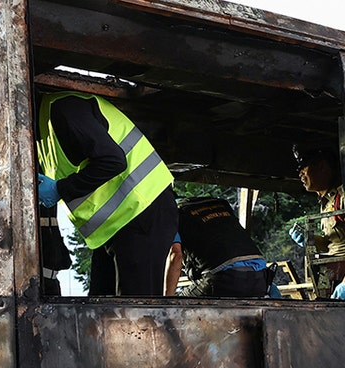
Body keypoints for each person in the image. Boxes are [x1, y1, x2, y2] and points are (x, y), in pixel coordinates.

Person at [36, 92, 177, 296]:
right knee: (103, 311)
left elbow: (112, 161)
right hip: (116, 225)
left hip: (141, 208)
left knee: (134, 314)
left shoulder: (63, 109)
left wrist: (60, 189)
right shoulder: (44, 126)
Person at [165, 196, 276, 297]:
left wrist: (166, 301)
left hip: (223, 278)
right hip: (260, 279)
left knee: (178, 308)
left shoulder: (171, 213)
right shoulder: (220, 206)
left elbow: (176, 255)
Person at [290, 145, 345, 300]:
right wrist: (309, 239)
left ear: (322, 168)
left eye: (304, 168)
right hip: (334, 274)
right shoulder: (326, 203)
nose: (300, 174)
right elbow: (332, 244)